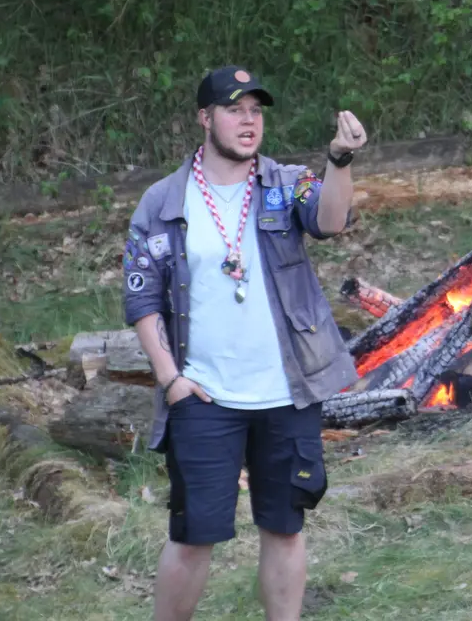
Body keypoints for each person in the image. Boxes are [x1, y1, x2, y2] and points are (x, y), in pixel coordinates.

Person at [121, 65, 364, 621]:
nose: (249, 120)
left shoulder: (286, 183)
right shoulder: (162, 203)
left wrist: (341, 160)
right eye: (235, 109)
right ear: (205, 119)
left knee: (284, 527)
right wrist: (170, 380)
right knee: (192, 535)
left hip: (287, 393)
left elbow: (330, 222)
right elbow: (142, 299)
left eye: (256, 110)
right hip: (204, 398)